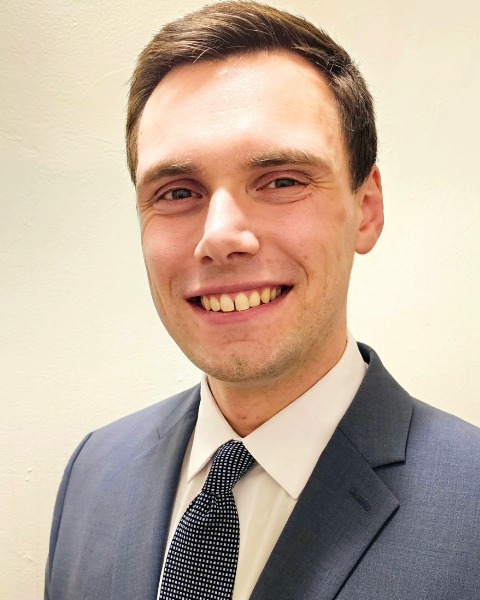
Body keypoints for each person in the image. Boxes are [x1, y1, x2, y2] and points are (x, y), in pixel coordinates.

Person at [45, 2, 480, 599]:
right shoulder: (93, 472)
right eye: (178, 192)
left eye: (281, 181)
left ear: (366, 210)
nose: (221, 236)